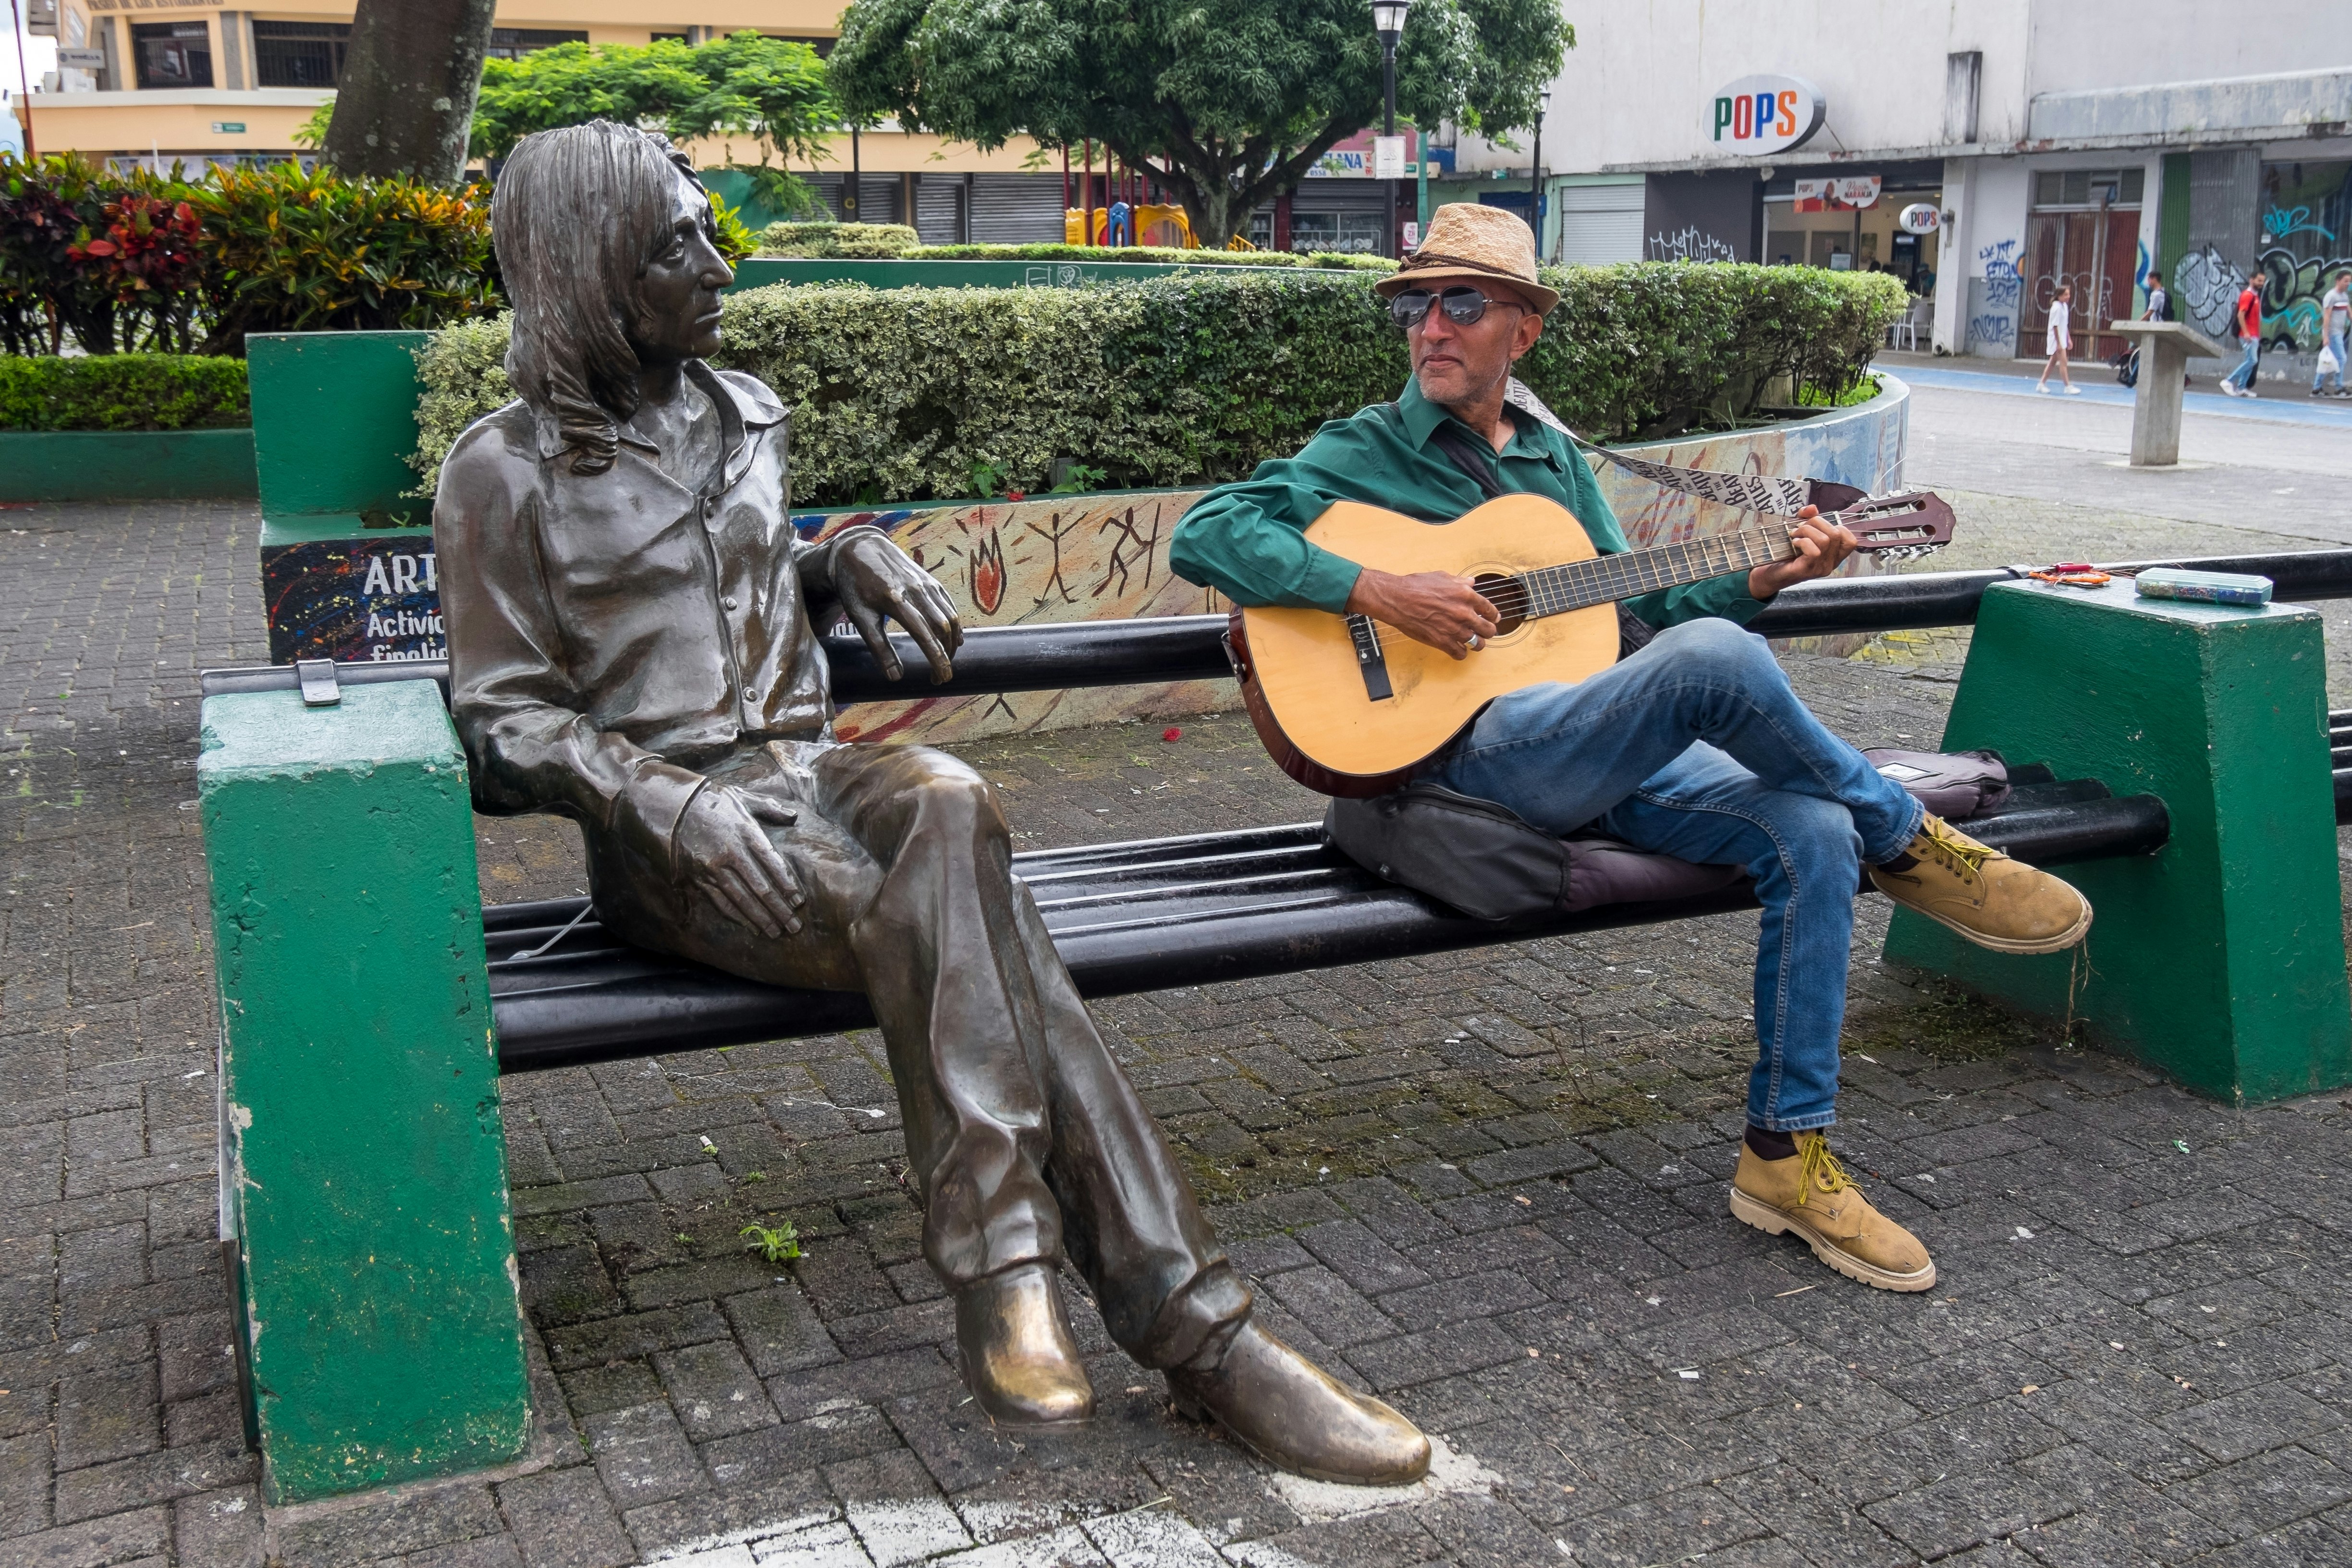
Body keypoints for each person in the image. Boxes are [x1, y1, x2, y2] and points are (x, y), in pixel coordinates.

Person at [431, 121, 1430, 1487]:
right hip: (680, 848)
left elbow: (740, 568)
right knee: (985, 928)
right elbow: (497, 719)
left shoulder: (748, 412)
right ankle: (1200, 1336)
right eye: (681, 245)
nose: (723, 263)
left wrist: (840, 554)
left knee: (953, 802)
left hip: (817, 774)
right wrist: (662, 806)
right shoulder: (504, 471)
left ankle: (1013, 1265)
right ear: (595, 271)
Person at [1170, 202, 2093, 1295]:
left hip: (1598, 735)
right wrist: (1376, 588)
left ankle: (1782, 1157)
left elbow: (1637, 623)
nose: (1430, 326)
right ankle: (1908, 834)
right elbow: (1207, 531)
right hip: (1480, 755)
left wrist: (1759, 579)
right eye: (1416, 304)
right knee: (1726, 677)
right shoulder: (1361, 450)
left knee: (1803, 829)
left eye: (1459, 303)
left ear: (1523, 331)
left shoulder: (1557, 461)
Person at [2222, 273, 2265, 397]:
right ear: (2252, 280)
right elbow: (2241, 315)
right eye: (2259, 281)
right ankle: (2228, 381)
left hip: (2253, 335)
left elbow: (2256, 318)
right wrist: (2246, 333)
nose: (2261, 283)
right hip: (2248, 335)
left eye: (2263, 281)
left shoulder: (2255, 297)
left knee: (2250, 360)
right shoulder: (2248, 296)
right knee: (2252, 360)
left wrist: (2257, 334)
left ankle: (2241, 387)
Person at [2035, 282, 2079, 394]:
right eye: (2066, 295)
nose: (2068, 297)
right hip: (2056, 339)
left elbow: (2064, 325)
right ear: (2059, 296)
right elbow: (2055, 327)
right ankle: (2067, 387)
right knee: (2063, 363)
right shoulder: (2056, 308)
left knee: (2052, 363)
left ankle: (2041, 384)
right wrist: (2059, 343)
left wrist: (2068, 339)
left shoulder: (2064, 306)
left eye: (2069, 294)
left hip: (2062, 338)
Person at [2313, 270, 2350, 398]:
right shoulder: (2331, 296)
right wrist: (2326, 336)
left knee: (2327, 361)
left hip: (2340, 333)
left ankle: (2317, 389)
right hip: (2333, 334)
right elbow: (2327, 317)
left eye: (2349, 282)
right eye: (2346, 281)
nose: (2348, 284)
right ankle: (2339, 388)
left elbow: (2349, 312)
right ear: (2338, 281)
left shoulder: (2345, 297)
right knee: (2342, 358)